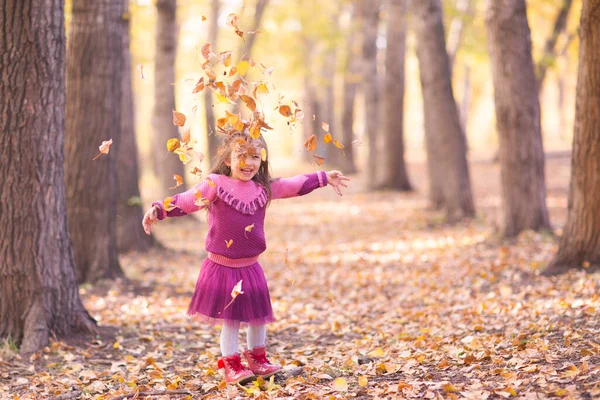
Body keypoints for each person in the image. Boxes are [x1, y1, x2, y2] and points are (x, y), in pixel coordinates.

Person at [142, 131, 350, 384]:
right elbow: (188, 200)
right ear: (228, 160)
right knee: (232, 319)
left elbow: (293, 185)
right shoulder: (215, 184)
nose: (249, 162)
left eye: (255, 156)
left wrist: (323, 177)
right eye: (241, 156)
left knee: (257, 315)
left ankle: (258, 358)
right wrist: (159, 209)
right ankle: (231, 363)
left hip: (251, 265)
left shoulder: (263, 187)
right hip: (223, 266)